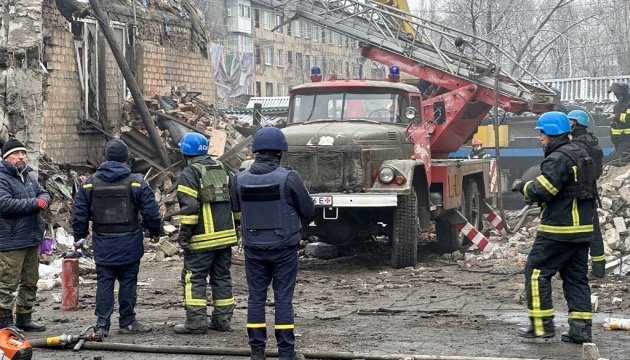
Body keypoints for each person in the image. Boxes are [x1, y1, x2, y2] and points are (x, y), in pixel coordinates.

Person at [511, 111, 596, 344]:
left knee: (536, 272)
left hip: (559, 228)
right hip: (582, 230)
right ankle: (580, 330)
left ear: (551, 133)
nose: (540, 138)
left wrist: (524, 186)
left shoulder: (558, 158)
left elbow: (544, 190)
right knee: (576, 278)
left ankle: (541, 326)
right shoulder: (581, 154)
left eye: (542, 133)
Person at [231, 127, 315, 360]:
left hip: (254, 249)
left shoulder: (239, 179)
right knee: (283, 299)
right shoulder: (289, 177)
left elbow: (235, 207)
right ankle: (286, 353)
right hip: (284, 249)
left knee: (255, 298)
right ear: (280, 152)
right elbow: (308, 211)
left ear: (256, 151)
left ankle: (257, 351)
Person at [72, 139, 161, 336]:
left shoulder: (89, 184)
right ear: (125, 158)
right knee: (128, 281)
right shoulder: (136, 181)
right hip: (129, 241)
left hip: (103, 242)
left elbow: (79, 213)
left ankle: (102, 324)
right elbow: (151, 211)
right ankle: (127, 322)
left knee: (105, 281)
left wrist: (79, 237)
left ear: (106, 157)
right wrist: (154, 231)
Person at [173, 132, 238, 334]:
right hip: (226, 236)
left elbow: (190, 207)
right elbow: (235, 202)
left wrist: (184, 234)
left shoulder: (190, 173)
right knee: (222, 277)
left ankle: (196, 323)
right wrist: (237, 228)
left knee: (194, 278)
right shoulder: (222, 168)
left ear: (185, 153)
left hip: (202, 239)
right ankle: (222, 321)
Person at [0, 138, 50, 332]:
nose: (21, 156)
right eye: (16, 154)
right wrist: (34, 203)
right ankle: (4, 322)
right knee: (7, 282)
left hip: (31, 237)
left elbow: (43, 193)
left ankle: (24, 317)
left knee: (30, 280)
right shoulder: (2, 177)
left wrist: (43, 199)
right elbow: (4, 204)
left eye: (23, 153)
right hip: (10, 240)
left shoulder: (28, 176)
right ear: (6, 157)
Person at [568, 110, 605, 278]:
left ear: (575, 123)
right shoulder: (594, 144)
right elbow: (597, 172)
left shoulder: (575, 147)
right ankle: (599, 269)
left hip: (576, 195)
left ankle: (575, 270)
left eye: (570, 122)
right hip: (590, 193)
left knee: (574, 234)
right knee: (594, 233)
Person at [606, 82, 630, 166]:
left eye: (617, 94)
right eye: (615, 94)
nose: (616, 96)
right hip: (618, 140)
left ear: (624, 93)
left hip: (627, 139)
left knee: (619, 162)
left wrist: (615, 117)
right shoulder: (618, 105)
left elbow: (628, 118)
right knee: (613, 160)